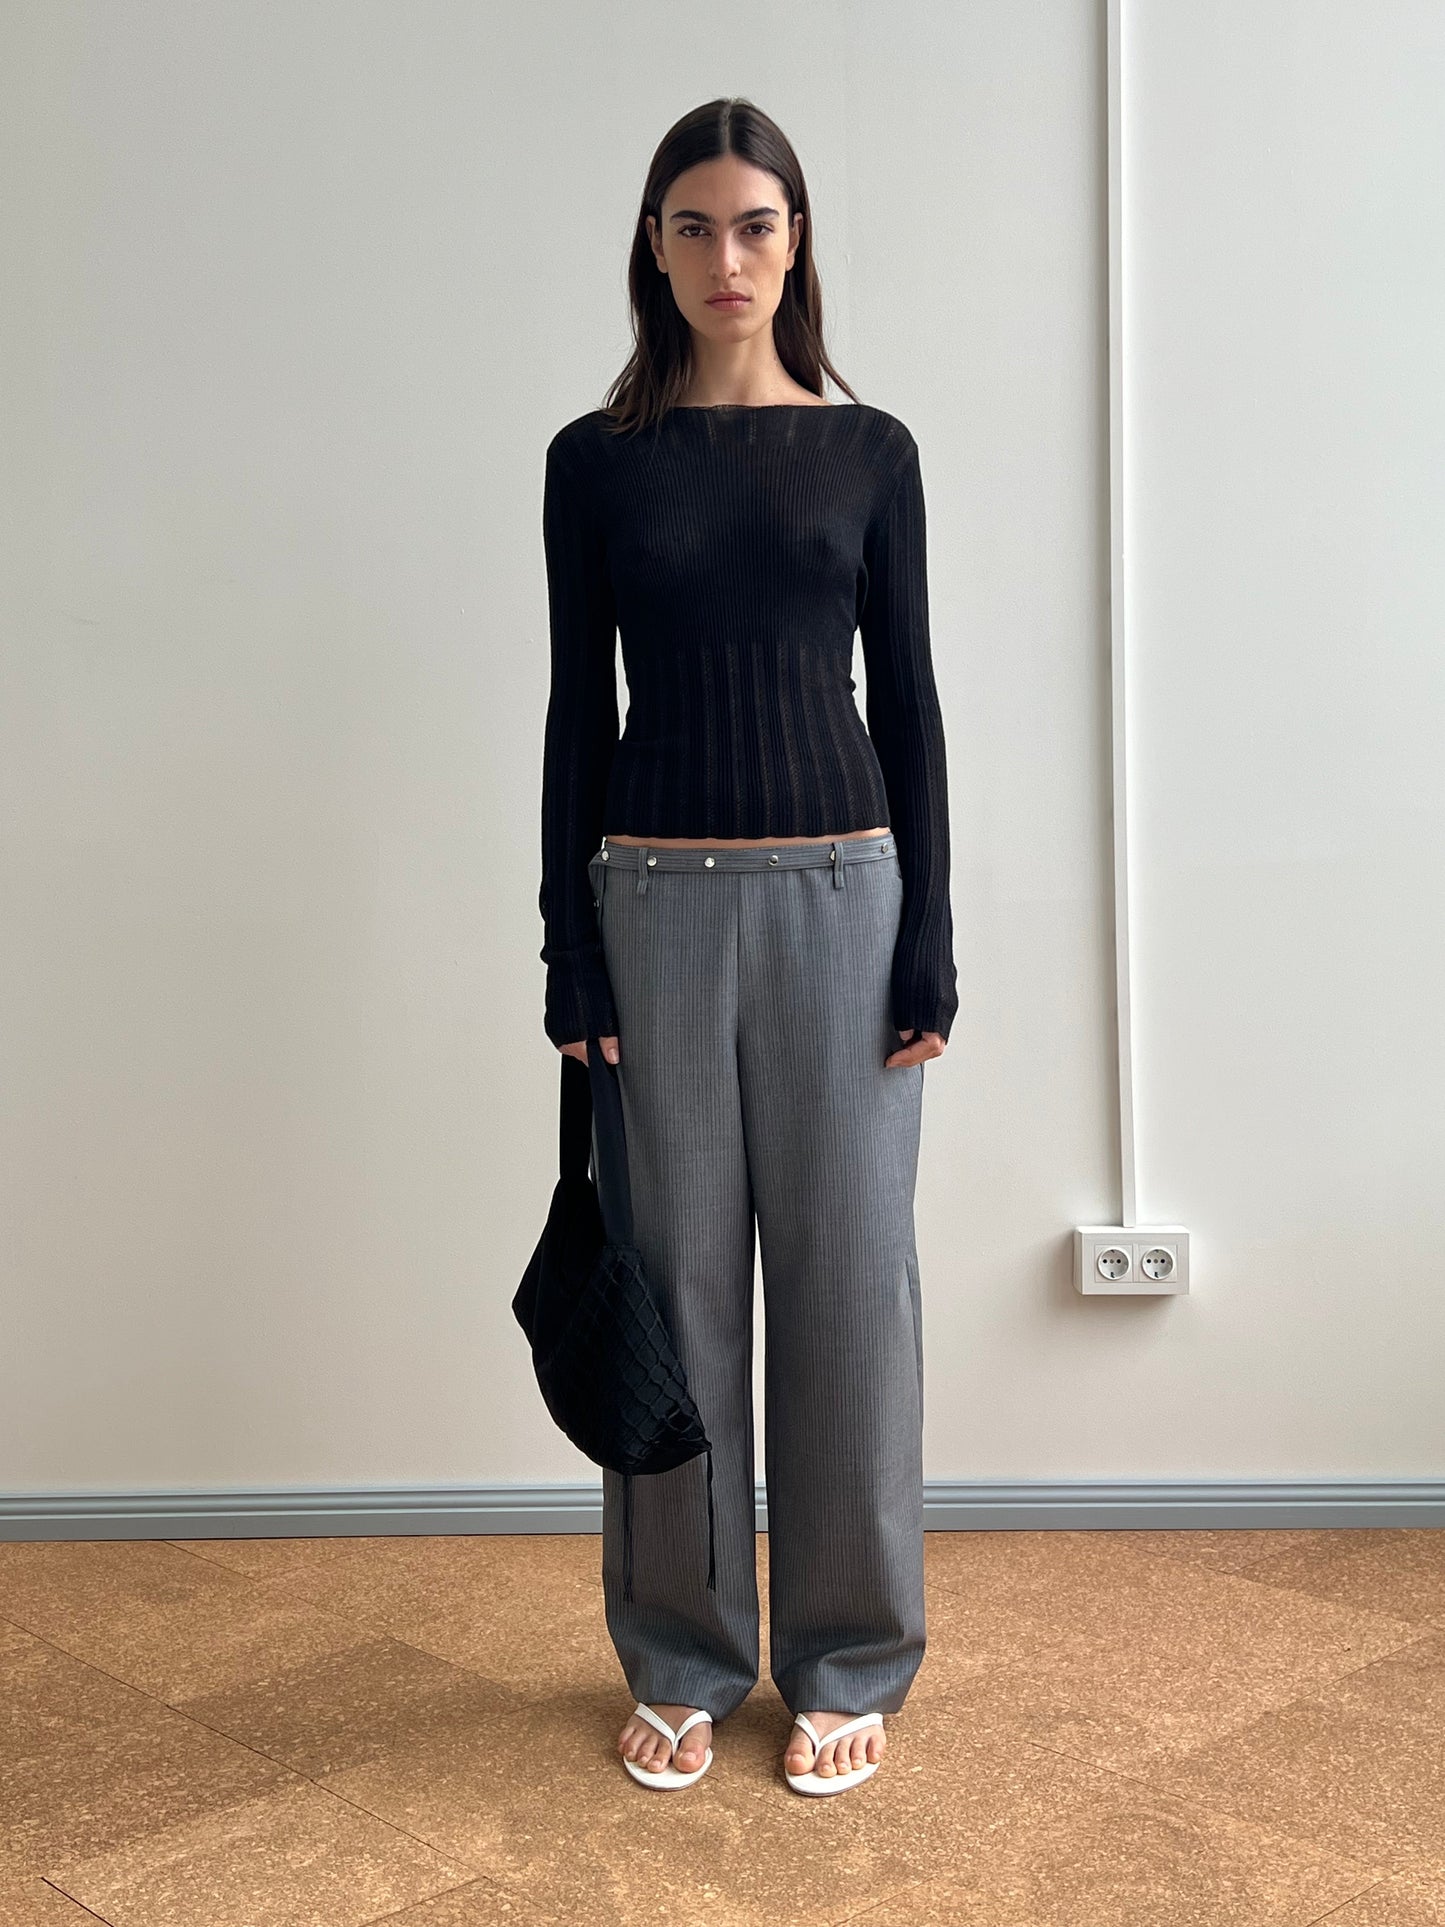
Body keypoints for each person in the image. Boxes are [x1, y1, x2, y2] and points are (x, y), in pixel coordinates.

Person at [538, 96, 957, 1795]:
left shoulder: (870, 455)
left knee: (851, 1300)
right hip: (650, 903)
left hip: (842, 902)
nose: (729, 257)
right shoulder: (593, 461)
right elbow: (580, 710)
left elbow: (909, 707)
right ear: (654, 243)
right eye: (697, 225)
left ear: (797, 244)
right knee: (678, 1291)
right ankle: (686, 1656)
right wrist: (568, 950)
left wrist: (929, 935)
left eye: (758, 225)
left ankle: (848, 1655)